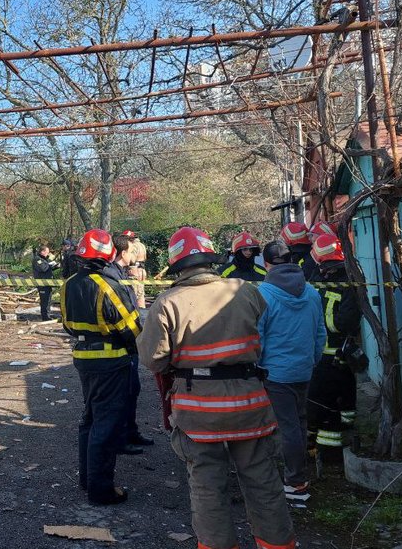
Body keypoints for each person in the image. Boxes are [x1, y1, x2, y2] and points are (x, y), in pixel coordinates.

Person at [138, 226, 295, 549]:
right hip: (250, 402)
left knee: (208, 486)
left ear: (176, 264)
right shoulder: (247, 291)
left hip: (198, 413)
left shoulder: (167, 304)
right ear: (211, 257)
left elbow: (153, 361)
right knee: (263, 482)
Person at [60, 229, 142, 505]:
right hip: (111, 361)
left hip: (83, 359)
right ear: (108, 255)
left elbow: (68, 326)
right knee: (106, 425)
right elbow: (131, 329)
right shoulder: (109, 286)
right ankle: (101, 489)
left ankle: (86, 479)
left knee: (90, 419)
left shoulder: (69, 284)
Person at [258, 240, 326, 504]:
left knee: (288, 427)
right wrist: (312, 360)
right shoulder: (310, 291)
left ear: (265, 265)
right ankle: (298, 474)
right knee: (298, 422)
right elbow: (320, 332)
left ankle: (296, 483)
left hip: (276, 373)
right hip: (303, 369)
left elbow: (258, 337)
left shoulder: (263, 293)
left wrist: (258, 366)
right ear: (290, 261)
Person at [306, 233, 361, 462]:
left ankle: (328, 455)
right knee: (325, 402)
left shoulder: (346, 282)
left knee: (329, 406)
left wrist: (319, 325)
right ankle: (317, 444)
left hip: (334, 355)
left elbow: (347, 321)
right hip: (324, 356)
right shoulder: (321, 278)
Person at [106, 233, 154, 455]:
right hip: (124, 344)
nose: (137, 253)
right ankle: (122, 438)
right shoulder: (112, 275)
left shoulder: (121, 273)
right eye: (133, 250)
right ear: (123, 252)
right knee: (124, 393)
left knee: (133, 390)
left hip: (131, 342)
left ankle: (131, 431)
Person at [32, 243, 59, 321]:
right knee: (44, 301)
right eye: (47, 252)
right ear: (42, 251)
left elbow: (47, 268)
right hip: (42, 284)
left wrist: (55, 266)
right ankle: (45, 317)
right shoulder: (37, 259)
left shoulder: (44, 259)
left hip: (48, 283)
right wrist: (49, 264)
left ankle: (48, 315)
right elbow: (43, 268)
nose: (48, 254)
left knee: (48, 300)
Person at [121, 230, 148, 308]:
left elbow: (132, 260)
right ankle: (142, 314)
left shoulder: (134, 246)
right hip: (142, 270)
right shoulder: (141, 245)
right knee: (141, 294)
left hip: (134, 271)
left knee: (134, 295)